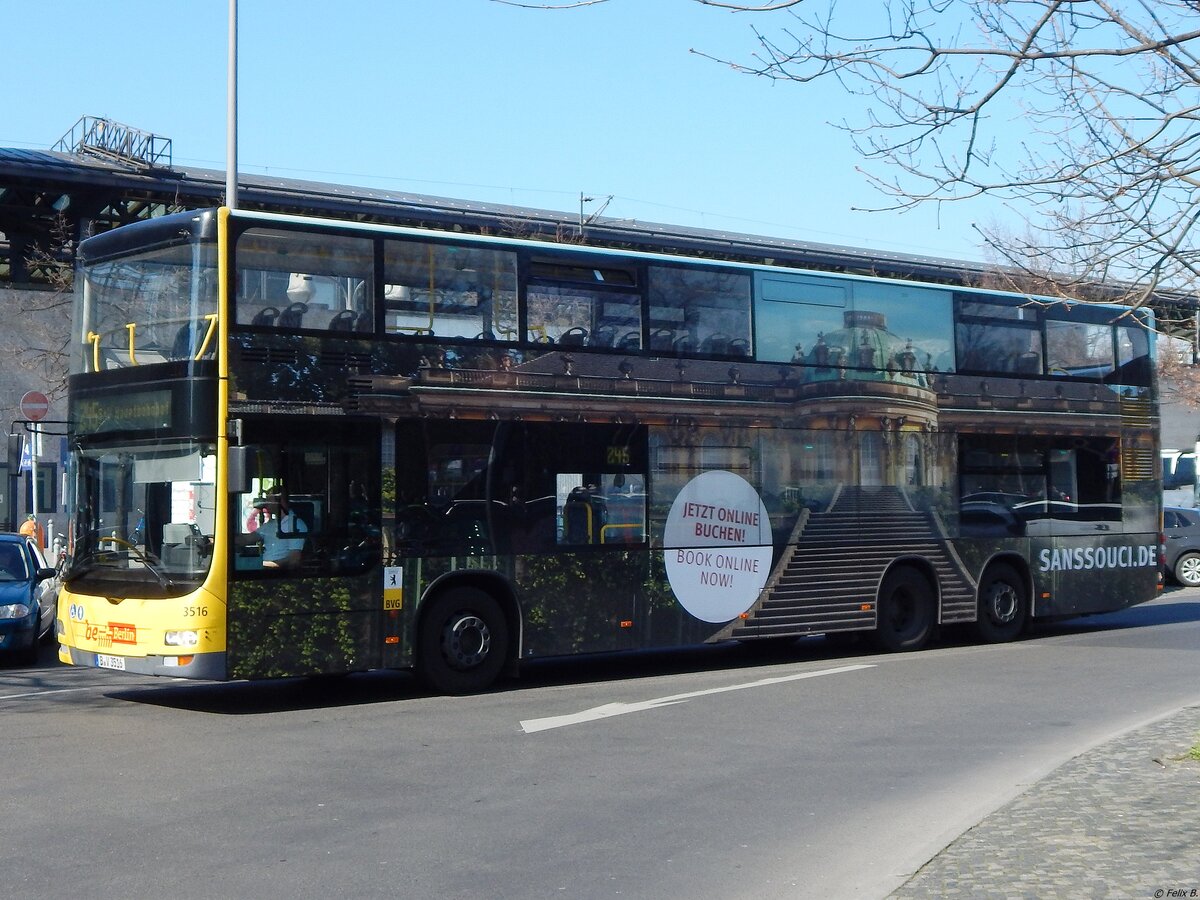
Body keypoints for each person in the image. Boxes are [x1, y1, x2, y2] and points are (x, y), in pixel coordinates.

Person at [256, 494, 307, 569]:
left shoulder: (295, 525)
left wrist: (267, 565)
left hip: (280, 574)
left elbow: (294, 559)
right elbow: (247, 539)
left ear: (280, 502)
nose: (266, 504)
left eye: (269, 500)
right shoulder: (270, 524)